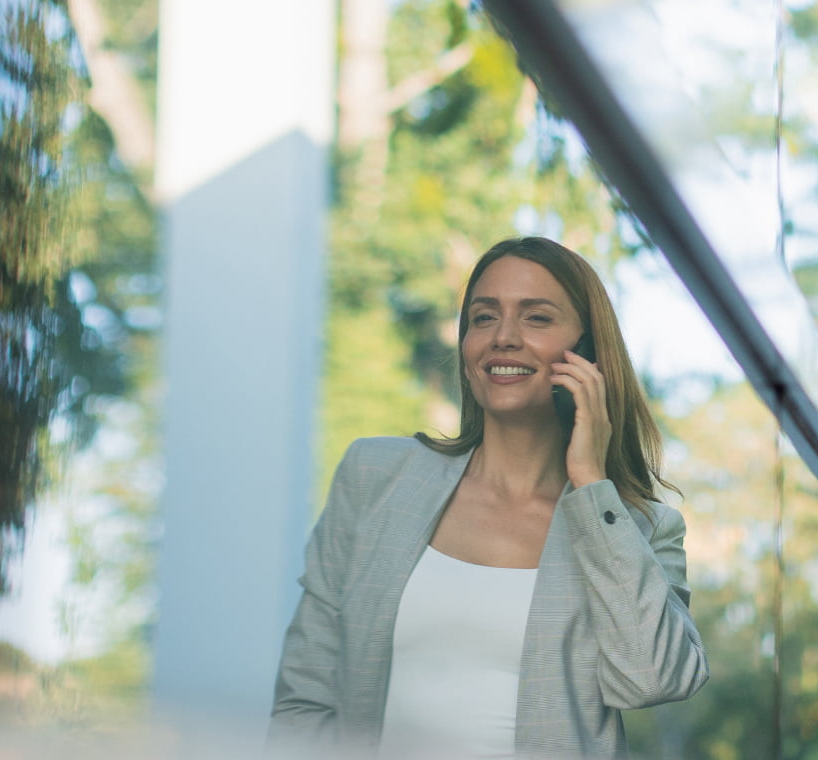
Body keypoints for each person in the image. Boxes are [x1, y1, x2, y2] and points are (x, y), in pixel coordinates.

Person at [270, 237, 708, 759]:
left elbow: (652, 679)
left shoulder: (637, 528)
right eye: (483, 318)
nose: (503, 337)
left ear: (588, 353)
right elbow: (305, 693)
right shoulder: (375, 477)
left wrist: (592, 482)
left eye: (536, 318)